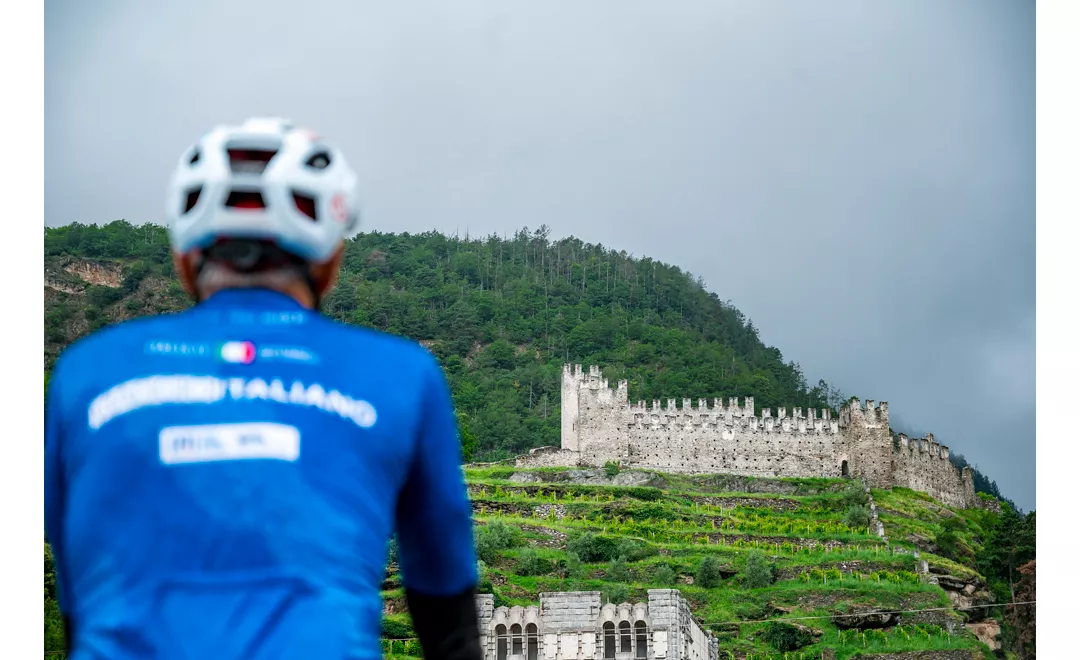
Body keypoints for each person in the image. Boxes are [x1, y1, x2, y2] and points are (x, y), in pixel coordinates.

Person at [44, 117, 482, 660]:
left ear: (184, 257)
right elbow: (447, 611)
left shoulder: (87, 372)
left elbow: (78, 594)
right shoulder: (400, 373)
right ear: (331, 259)